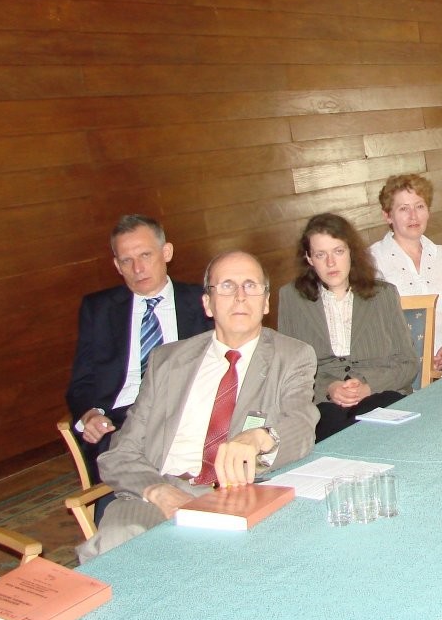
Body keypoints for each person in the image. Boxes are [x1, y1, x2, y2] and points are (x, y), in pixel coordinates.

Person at [78, 251, 318, 562]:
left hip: (236, 495)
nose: (240, 296)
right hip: (158, 493)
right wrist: (157, 491)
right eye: (227, 286)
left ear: (266, 302)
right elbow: (120, 454)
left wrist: (261, 437)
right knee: (115, 549)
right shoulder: (167, 361)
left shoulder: (292, 356)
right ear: (207, 303)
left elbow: (301, 426)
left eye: (251, 286)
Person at [67, 215, 211, 484]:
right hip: (121, 421)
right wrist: (90, 414)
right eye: (126, 261)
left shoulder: (202, 302)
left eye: (145, 255)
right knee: (123, 464)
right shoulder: (98, 309)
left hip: (186, 413)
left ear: (166, 253)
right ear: (117, 266)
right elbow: (81, 382)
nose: (138, 268)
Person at [278, 213, 419, 439]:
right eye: (320, 254)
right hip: (323, 402)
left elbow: (408, 363)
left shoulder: (384, 294)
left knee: (373, 422)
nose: (331, 263)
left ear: (351, 252)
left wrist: (368, 387)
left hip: (380, 392)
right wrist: (329, 387)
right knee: (330, 425)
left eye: (338, 251)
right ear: (309, 258)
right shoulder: (292, 299)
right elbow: (288, 371)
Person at [369, 174, 442, 372]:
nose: (413, 216)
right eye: (403, 208)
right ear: (387, 215)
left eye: (420, 206)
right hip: (401, 367)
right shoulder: (372, 260)